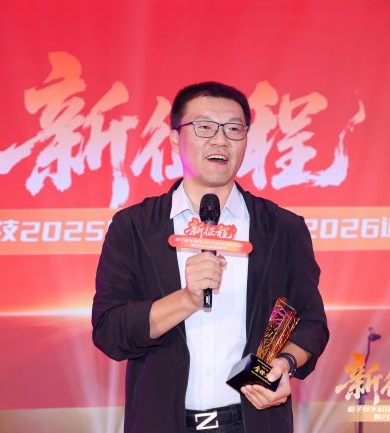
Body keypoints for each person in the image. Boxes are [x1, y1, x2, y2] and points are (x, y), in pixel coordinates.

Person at [92, 81, 328, 433]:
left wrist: (286, 362)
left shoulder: (283, 228)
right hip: (163, 424)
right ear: (175, 139)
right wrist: (186, 300)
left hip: (253, 423)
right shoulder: (135, 227)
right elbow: (110, 331)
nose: (220, 141)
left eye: (234, 129)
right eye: (204, 127)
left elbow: (311, 321)